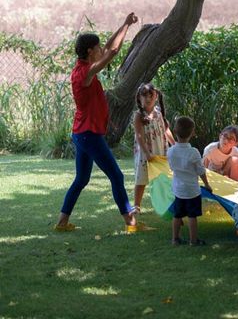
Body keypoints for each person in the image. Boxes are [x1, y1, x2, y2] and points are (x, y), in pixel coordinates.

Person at [55, 13, 139, 232]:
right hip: (89, 135)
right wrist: (127, 30)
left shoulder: (83, 67)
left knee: (82, 179)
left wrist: (124, 24)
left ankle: (62, 222)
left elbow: (108, 46)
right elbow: (112, 51)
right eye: (97, 47)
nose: (101, 48)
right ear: (90, 51)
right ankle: (130, 222)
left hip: (83, 133)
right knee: (116, 176)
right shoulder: (84, 73)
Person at [167, 116, 212, 246]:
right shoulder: (193, 152)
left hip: (178, 190)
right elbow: (201, 171)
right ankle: (193, 240)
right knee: (192, 216)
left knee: (177, 215)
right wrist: (207, 184)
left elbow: (171, 167)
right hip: (192, 190)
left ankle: (175, 239)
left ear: (175, 131)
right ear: (192, 133)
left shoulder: (170, 151)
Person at [132, 83, 175, 213]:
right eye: (144, 96)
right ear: (139, 98)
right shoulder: (139, 115)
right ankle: (137, 206)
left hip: (160, 149)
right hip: (145, 152)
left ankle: (166, 203)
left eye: (151, 95)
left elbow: (166, 130)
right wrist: (147, 153)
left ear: (156, 96)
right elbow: (139, 136)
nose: (148, 99)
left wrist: (175, 145)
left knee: (163, 178)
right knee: (142, 179)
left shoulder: (158, 112)